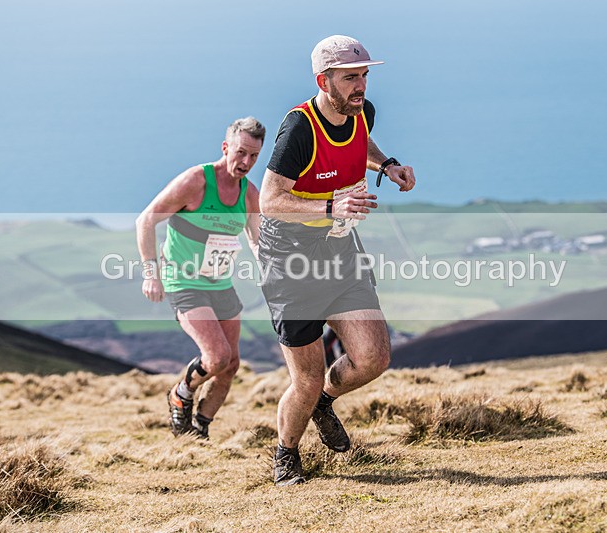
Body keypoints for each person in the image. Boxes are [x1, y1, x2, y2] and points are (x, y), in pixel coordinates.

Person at [259, 35, 416, 485]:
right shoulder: (299, 128)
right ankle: (286, 453)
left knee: (373, 357)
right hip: (290, 260)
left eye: (365, 75)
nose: (361, 85)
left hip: (339, 249)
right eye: (351, 77)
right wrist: (332, 206)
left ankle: (325, 403)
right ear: (323, 80)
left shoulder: (361, 111)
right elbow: (270, 200)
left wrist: (387, 166)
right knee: (303, 381)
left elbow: (361, 143)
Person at [135, 117, 264, 439]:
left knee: (231, 365)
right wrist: (151, 273)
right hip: (183, 281)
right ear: (225, 148)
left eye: (254, 156)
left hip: (220, 283)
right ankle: (181, 394)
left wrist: (272, 270)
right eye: (240, 152)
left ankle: (199, 429)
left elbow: (258, 238)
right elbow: (145, 221)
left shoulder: (249, 194)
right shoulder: (196, 181)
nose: (246, 162)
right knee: (217, 357)